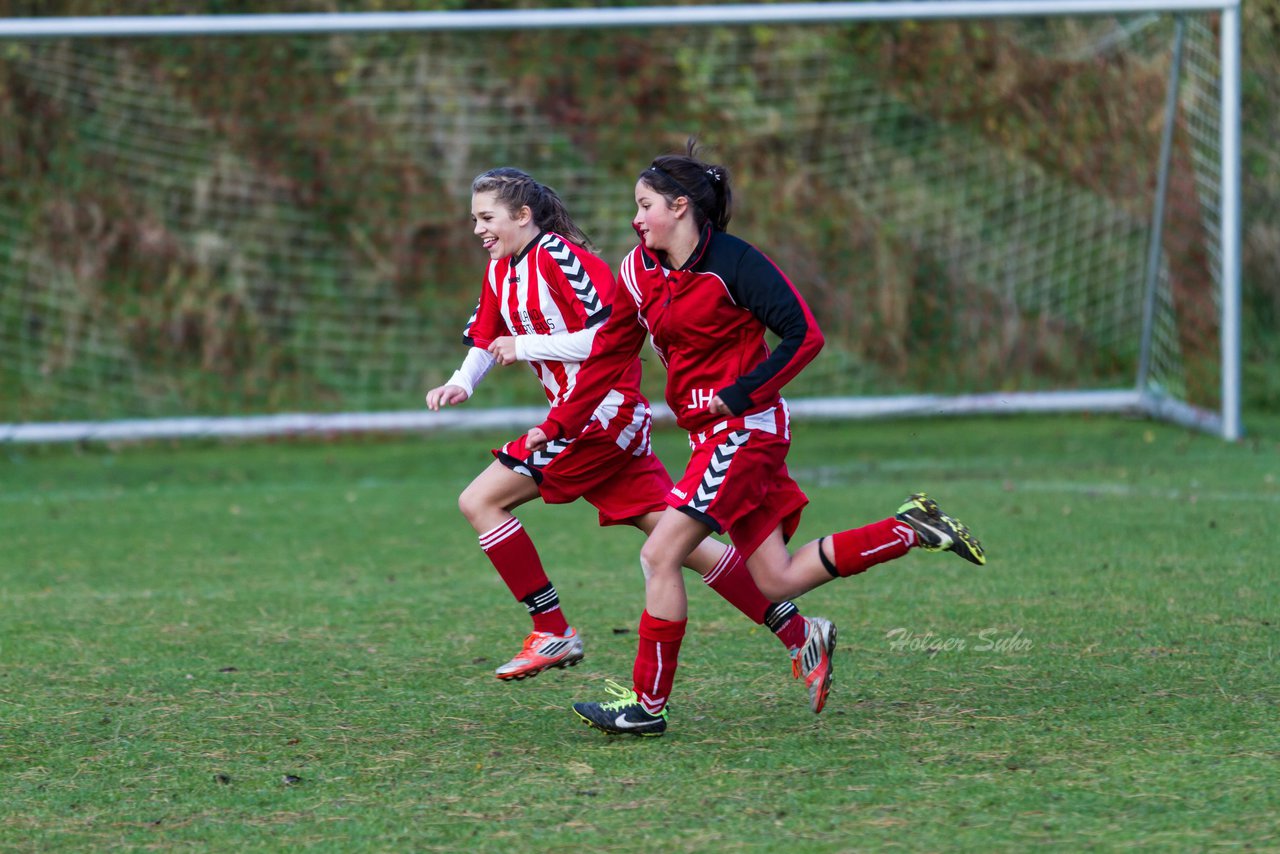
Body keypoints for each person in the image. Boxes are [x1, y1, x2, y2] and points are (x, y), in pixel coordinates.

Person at [523, 144, 986, 737]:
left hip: (746, 432)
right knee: (778, 579)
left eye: (645, 205)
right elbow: (609, 351)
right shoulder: (639, 270)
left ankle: (646, 705)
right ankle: (913, 528)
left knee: (660, 553)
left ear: (681, 207)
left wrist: (739, 395)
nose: (636, 218)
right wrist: (557, 425)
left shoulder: (737, 264)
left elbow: (804, 336)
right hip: (711, 438)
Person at [425, 167, 838, 713]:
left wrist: (525, 348)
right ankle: (798, 632)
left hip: (601, 415)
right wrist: (460, 382)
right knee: (675, 542)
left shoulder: (561, 258)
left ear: (522, 215)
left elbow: (609, 336)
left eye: (486, 217)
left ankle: (553, 629)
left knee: (480, 499)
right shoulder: (501, 267)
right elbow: (485, 335)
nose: (477, 228)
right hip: (588, 418)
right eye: (474, 218)